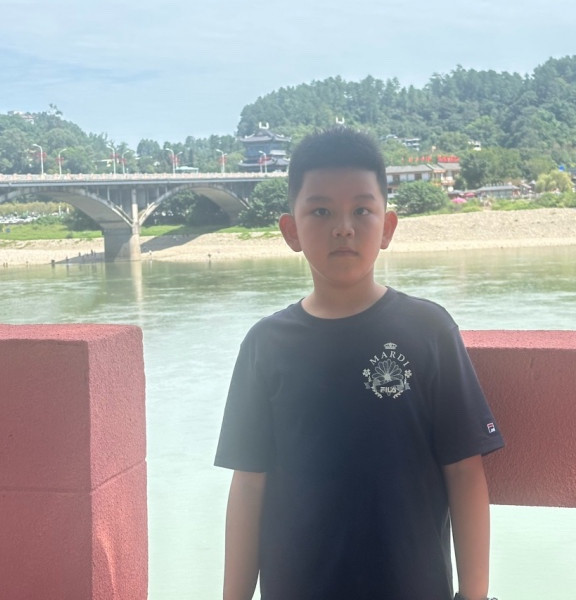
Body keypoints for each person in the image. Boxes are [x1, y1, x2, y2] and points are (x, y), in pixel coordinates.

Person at [215, 126, 504, 600]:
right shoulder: (265, 344)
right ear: (290, 230)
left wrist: (474, 596)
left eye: (362, 210)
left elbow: (464, 473)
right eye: (321, 211)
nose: (343, 227)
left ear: (387, 227)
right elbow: (248, 485)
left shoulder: (429, 331)